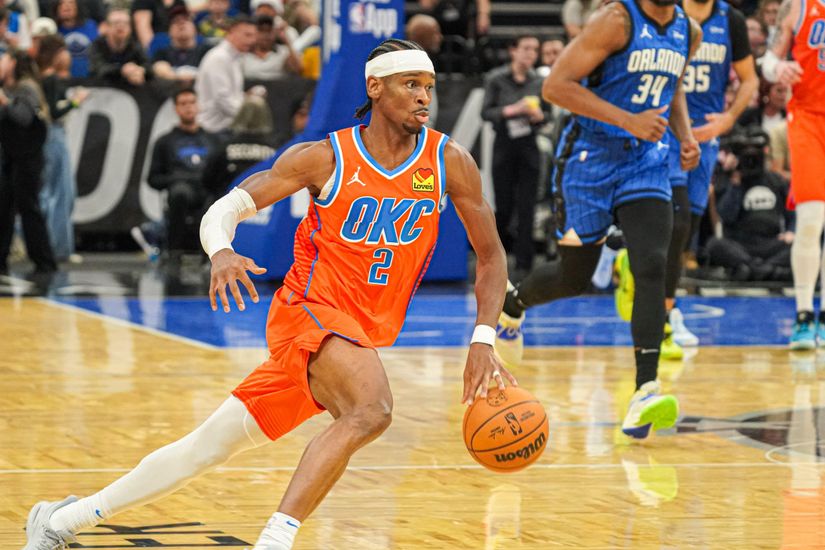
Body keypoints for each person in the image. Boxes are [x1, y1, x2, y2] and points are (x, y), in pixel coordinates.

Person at [22, 38, 513, 550]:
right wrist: (222, 252)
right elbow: (225, 209)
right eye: (411, 84)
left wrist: (483, 339)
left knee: (206, 447)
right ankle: (275, 541)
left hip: (356, 335)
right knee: (372, 409)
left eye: (428, 86)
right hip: (308, 312)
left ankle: (61, 520)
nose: (424, 97)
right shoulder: (324, 158)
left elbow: (491, 256)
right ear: (375, 87)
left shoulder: (448, 161)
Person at [495, 0, 701, 439]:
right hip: (589, 161)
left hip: (645, 162)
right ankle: (514, 304)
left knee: (652, 264)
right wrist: (628, 120)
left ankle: (645, 389)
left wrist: (685, 135)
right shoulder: (616, 20)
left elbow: (673, 87)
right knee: (574, 278)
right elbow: (555, 87)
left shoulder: (689, 30)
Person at [615, 0, 758, 350]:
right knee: (676, 223)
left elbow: (750, 79)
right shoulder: (666, 11)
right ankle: (665, 315)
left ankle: (644, 275)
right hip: (664, 129)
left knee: (687, 229)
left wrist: (728, 119)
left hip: (704, 135)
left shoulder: (731, 20)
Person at [762, 0, 825, 348]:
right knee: (811, 219)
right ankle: (803, 314)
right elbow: (768, 61)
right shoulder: (798, 5)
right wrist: (779, 68)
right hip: (808, 119)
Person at [481, 34, 547, 280]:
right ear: (513, 51)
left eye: (535, 49)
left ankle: (524, 264)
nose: (531, 54)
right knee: (504, 205)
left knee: (527, 205)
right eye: (526, 48)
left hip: (529, 144)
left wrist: (540, 116)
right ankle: (496, 261)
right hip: (504, 144)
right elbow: (485, 112)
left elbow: (548, 113)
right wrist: (513, 110)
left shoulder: (539, 81)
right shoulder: (496, 78)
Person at [705, 126, 792, 281]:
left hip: (771, 242)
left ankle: (751, 270)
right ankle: (771, 272)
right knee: (714, 245)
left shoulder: (776, 180)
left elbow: (792, 211)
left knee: (800, 246)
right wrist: (735, 184)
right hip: (740, 244)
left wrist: (792, 231)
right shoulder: (729, 180)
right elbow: (725, 216)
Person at [0, 48, 56, 277]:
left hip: (28, 157)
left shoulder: (26, 88)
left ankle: (44, 261)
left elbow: (23, 118)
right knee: (4, 207)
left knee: (28, 207)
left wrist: (4, 102)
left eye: (4, 59)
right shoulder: (10, 88)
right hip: (11, 154)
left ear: (13, 63)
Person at [147, 87, 218, 258]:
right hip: (181, 190)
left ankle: (211, 253)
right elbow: (153, 179)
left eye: (192, 102)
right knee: (180, 193)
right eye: (183, 103)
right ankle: (174, 252)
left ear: (198, 106)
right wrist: (177, 178)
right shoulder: (165, 142)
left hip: (206, 189)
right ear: (176, 109)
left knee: (217, 198)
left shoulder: (213, 140)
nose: (188, 107)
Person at [202, 95, 277, 197]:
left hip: (229, 200)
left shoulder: (225, 148)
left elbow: (208, 180)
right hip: (265, 201)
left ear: (240, 116)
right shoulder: (274, 150)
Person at [195, 15, 257, 134]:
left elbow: (231, 96)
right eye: (247, 35)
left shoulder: (235, 59)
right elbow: (222, 99)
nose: (252, 41)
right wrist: (248, 117)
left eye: (254, 36)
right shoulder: (219, 58)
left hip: (226, 127)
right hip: (212, 130)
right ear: (231, 32)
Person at [89, 9, 153, 86]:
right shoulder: (97, 45)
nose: (121, 26)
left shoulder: (134, 44)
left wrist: (140, 70)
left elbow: (148, 66)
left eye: (125, 23)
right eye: (116, 23)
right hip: (103, 87)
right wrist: (122, 70)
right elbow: (99, 70)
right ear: (106, 27)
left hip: (132, 86)